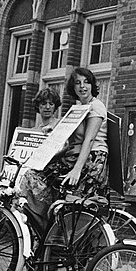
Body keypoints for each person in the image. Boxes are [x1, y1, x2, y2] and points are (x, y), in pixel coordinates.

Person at [21, 68, 109, 226]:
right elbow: (67, 139)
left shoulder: (96, 106)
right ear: (73, 87)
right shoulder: (78, 107)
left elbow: (89, 140)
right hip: (74, 157)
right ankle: (45, 228)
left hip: (91, 160)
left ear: (92, 85)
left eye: (86, 82)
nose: (82, 86)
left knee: (69, 202)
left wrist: (76, 169)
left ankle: (50, 228)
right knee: (32, 176)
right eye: (78, 83)